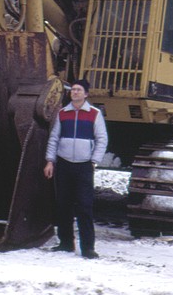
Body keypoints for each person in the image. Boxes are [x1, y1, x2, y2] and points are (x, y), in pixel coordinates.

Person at [44, 79, 108, 259]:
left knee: (84, 206)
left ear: (86, 94)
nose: (75, 92)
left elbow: (102, 139)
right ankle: (65, 243)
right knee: (63, 205)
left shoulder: (94, 114)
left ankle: (88, 247)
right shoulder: (63, 114)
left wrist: (93, 161)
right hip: (63, 164)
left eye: (79, 90)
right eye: (72, 90)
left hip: (84, 166)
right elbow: (54, 138)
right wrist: (50, 161)